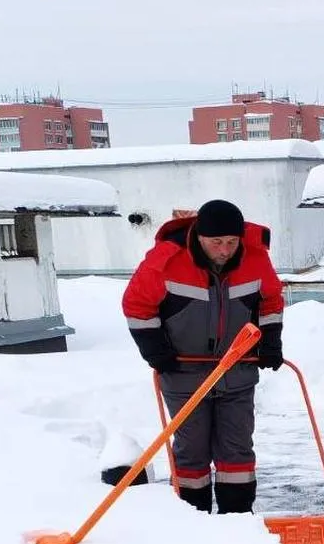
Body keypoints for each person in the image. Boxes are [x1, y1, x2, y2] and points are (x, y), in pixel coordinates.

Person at [121, 199, 286, 513]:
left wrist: (271, 343)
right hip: (184, 374)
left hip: (237, 371)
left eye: (232, 242)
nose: (225, 250)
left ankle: (237, 519)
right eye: (217, 243)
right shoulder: (167, 260)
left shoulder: (255, 258)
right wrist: (156, 351)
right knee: (192, 451)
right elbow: (137, 305)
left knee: (237, 451)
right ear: (199, 237)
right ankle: (192, 520)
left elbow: (271, 302)